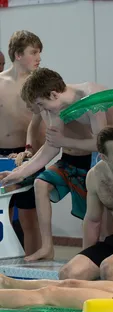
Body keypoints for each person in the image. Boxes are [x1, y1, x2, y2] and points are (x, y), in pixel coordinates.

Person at [0, 68, 113, 262]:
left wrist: (65, 141)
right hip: (101, 151)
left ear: (53, 94)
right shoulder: (55, 107)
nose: (42, 111)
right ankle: (83, 255)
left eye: (42, 105)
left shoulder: (91, 98)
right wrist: (19, 173)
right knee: (96, 208)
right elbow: (52, 147)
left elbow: (102, 144)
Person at [55, 126, 113, 282]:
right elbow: (93, 220)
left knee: (110, 268)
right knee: (68, 273)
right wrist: (87, 256)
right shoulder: (95, 177)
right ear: (104, 157)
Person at [0, 31, 46, 256]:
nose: (39, 57)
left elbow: (46, 124)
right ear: (18, 55)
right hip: (2, 157)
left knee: (30, 217)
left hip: (30, 157)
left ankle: (33, 263)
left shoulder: (40, 85)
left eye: (39, 52)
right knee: (3, 215)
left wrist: (36, 154)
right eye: (33, 52)